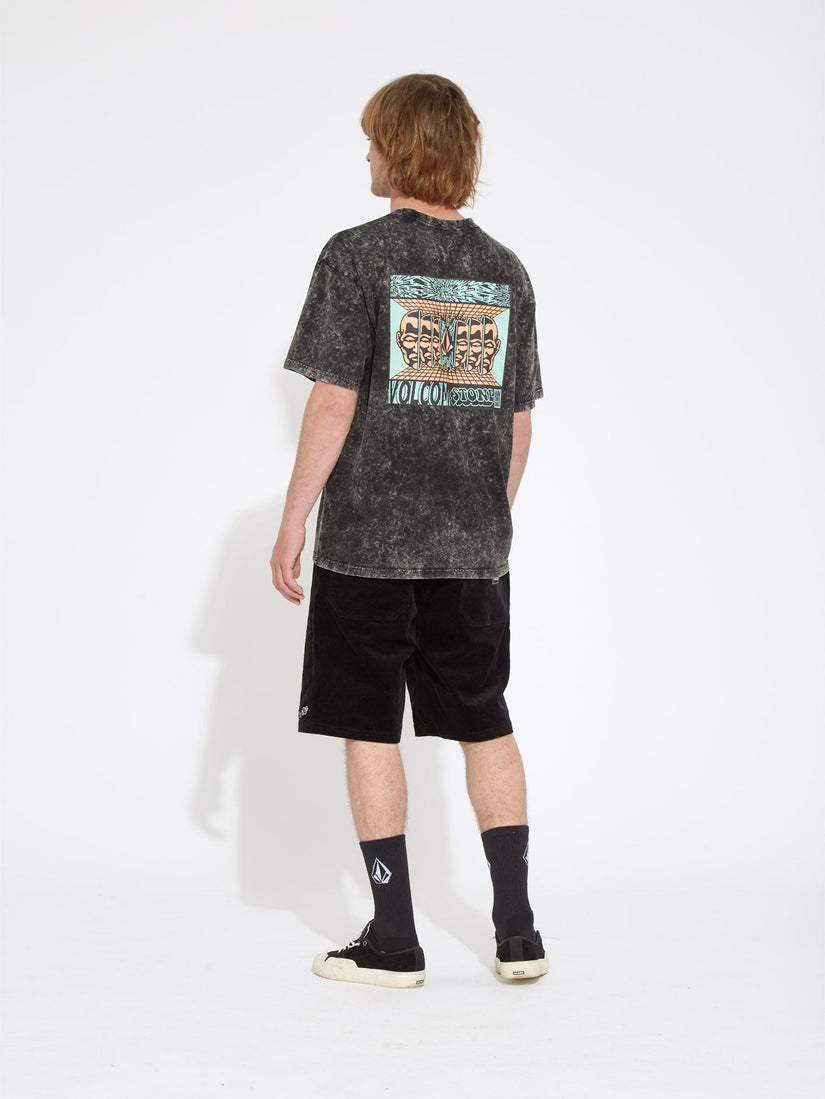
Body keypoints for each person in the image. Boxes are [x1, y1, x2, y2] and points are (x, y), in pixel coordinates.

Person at [270, 73, 546, 988]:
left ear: (398, 147)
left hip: (368, 546)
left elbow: (334, 398)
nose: (364, 154)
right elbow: (518, 422)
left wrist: (293, 517)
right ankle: (518, 931)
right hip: (474, 551)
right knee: (485, 723)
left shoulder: (355, 256)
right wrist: (485, 522)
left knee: (369, 727)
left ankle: (394, 940)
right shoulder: (505, 269)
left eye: (372, 139)